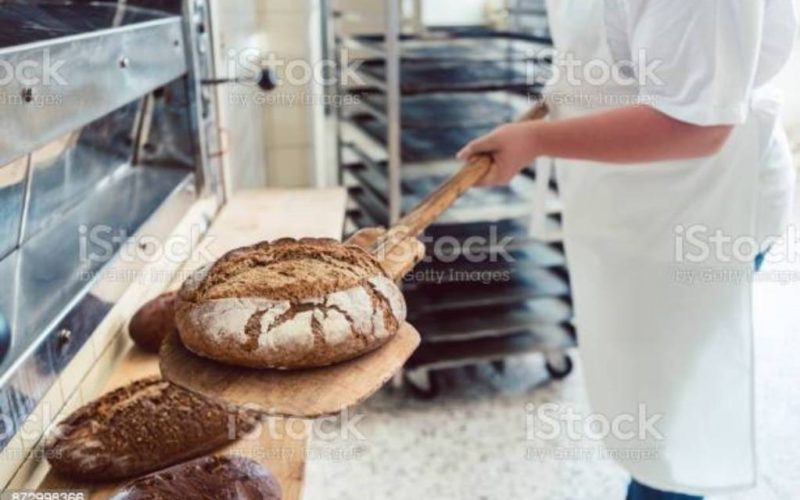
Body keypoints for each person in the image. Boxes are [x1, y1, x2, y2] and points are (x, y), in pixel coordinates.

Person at [457, 1, 798, 499]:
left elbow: (699, 124)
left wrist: (534, 140)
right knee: (647, 397)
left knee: (670, 426)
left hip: (703, 208)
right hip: (635, 202)